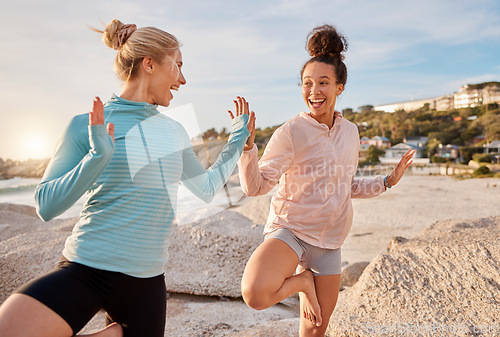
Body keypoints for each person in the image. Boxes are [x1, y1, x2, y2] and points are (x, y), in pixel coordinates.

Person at [0, 19, 255, 337]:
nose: (183, 79)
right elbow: (46, 206)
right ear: (149, 64)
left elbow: (205, 189)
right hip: (85, 267)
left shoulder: (174, 131)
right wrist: (96, 159)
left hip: (145, 283)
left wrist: (236, 141)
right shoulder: (86, 125)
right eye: (177, 66)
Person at [236, 24, 414, 337]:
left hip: (330, 243)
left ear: (339, 87)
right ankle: (302, 282)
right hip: (290, 230)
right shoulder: (290, 133)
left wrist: (387, 181)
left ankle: (307, 282)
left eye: (323, 83)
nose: (314, 91)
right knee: (256, 293)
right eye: (307, 84)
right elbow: (256, 187)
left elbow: (346, 187)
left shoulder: (351, 133)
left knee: (315, 331)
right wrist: (248, 149)